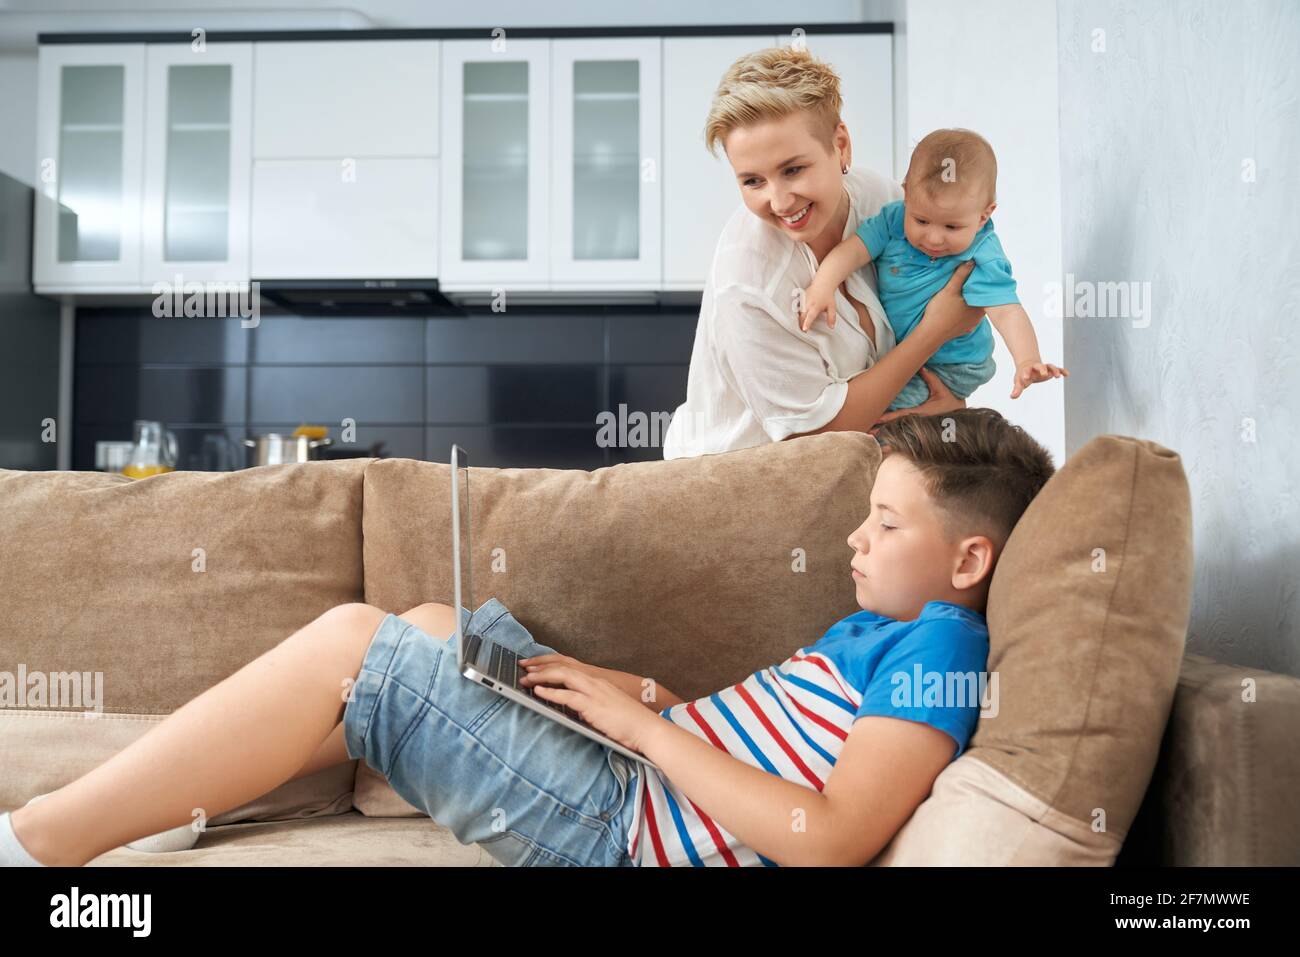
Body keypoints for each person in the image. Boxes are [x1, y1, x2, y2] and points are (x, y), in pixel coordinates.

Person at [1, 408, 1054, 868]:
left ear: (967, 561)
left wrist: (641, 738)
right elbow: (775, 749)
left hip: (620, 828)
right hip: (637, 775)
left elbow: (826, 839)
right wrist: (646, 702)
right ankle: (183, 800)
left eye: (884, 522)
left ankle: (40, 840)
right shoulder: (882, 629)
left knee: (352, 640)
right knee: (425, 626)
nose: (852, 537)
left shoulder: (944, 650)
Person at [662, 46, 989, 460]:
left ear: (841, 145)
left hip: (863, 464)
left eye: (793, 169)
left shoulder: (885, 204)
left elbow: (956, 290)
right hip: (738, 486)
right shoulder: (748, 279)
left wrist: (947, 401)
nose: (779, 202)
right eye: (752, 181)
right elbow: (818, 438)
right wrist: (933, 334)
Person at [798, 128, 1068, 408]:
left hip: (951, 366)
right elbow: (853, 250)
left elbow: (1007, 311)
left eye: (952, 227)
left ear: (983, 216)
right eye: (922, 221)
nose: (933, 238)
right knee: (865, 396)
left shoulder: (982, 253)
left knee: (875, 413)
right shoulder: (894, 220)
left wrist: (1027, 359)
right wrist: (823, 284)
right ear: (906, 197)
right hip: (909, 355)